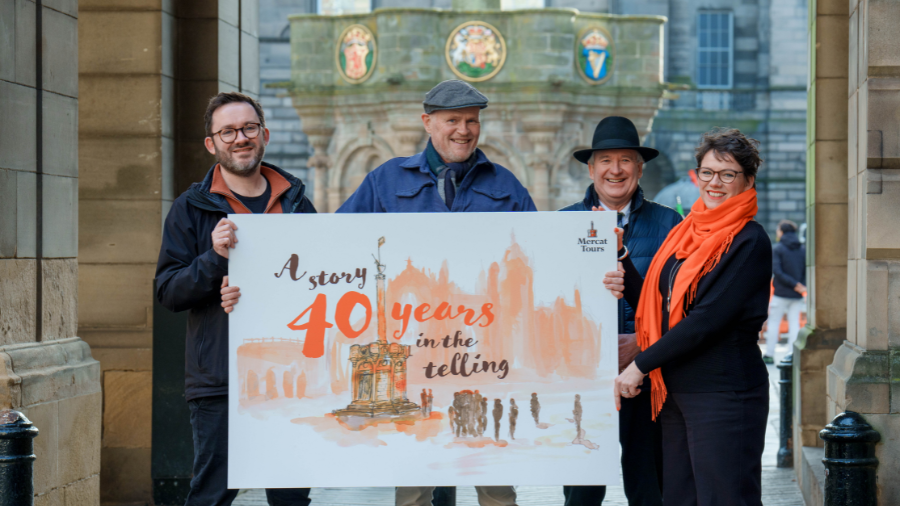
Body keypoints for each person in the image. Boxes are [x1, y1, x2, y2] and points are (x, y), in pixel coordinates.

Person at [220, 80, 531, 506]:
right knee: (415, 477)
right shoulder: (385, 181)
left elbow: (536, 260)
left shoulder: (507, 186)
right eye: (452, 120)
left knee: (492, 478)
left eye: (472, 121)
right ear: (428, 123)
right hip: (412, 348)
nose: (464, 130)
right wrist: (253, 275)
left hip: (479, 352)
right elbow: (333, 247)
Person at [155, 92, 315, 506]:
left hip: (291, 377)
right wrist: (214, 260)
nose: (239, 138)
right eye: (227, 131)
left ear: (264, 134)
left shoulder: (297, 204)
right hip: (219, 379)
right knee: (211, 495)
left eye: (247, 128)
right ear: (212, 143)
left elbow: (320, 286)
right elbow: (169, 292)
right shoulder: (189, 209)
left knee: (292, 498)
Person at [604, 127, 772, 506]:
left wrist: (639, 365)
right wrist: (623, 262)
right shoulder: (688, 231)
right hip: (677, 394)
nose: (715, 182)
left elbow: (705, 320)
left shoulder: (749, 240)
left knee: (725, 499)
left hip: (724, 395)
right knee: (680, 499)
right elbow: (656, 301)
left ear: (747, 180)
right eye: (708, 172)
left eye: (728, 174)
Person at [560, 116, 681, 506]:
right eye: (606, 160)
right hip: (582, 377)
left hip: (646, 374)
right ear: (591, 167)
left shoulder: (669, 225)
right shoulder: (562, 225)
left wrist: (643, 343)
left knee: (649, 484)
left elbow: (679, 303)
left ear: (640, 168)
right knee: (581, 488)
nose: (616, 170)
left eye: (625, 160)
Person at [762, 220, 806, 364]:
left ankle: (769, 354)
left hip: (781, 292)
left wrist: (794, 284)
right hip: (797, 293)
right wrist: (801, 286)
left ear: (782, 232)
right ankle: (792, 354)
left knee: (774, 322)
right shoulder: (802, 249)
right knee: (795, 323)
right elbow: (807, 269)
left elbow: (777, 271)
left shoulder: (778, 249)